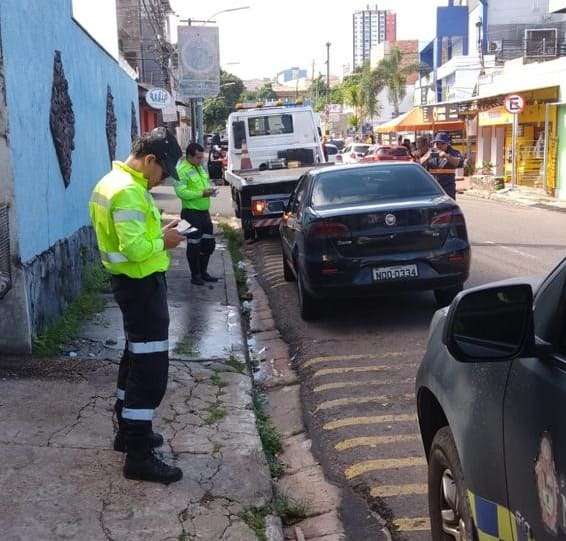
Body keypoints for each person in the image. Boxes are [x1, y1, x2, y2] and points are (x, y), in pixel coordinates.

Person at [89, 127, 185, 485]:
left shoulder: (112, 182)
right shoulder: (129, 191)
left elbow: (127, 233)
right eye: (162, 172)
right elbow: (135, 249)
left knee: (134, 360)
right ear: (149, 161)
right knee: (150, 370)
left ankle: (128, 434)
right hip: (141, 286)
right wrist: (167, 240)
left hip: (130, 287)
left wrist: (159, 224)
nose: (162, 180)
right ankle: (139, 456)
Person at [175, 142, 218, 286]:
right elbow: (181, 192)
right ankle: (195, 275)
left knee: (208, 243)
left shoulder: (199, 168)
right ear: (189, 156)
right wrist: (201, 193)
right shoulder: (181, 170)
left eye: (202, 158)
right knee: (194, 245)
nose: (201, 161)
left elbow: (204, 185)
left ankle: (204, 272)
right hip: (189, 213)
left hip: (204, 212)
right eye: (198, 158)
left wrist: (210, 190)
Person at [420, 132, 463, 199]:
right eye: (437, 143)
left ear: (447, 144)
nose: (439, 146)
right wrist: (428, 156)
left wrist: (446, 156)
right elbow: (420, 163)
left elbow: (458, 163)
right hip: (433, 187)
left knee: (448, 207)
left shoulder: (453, 152)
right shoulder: (430, 152)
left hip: (448, 187)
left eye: (442, 143)